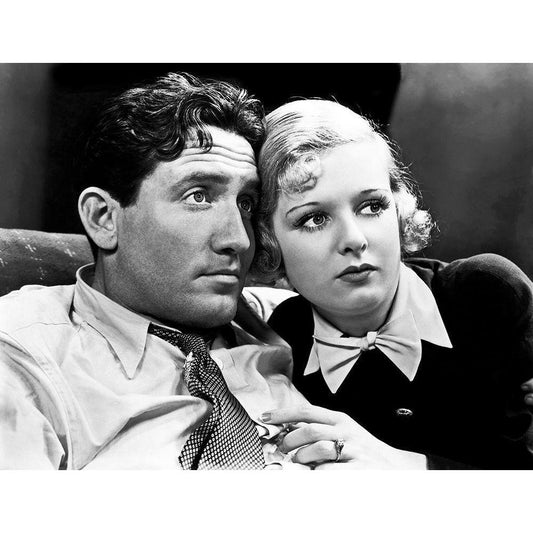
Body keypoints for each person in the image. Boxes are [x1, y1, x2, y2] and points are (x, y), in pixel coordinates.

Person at [0, 72, 308, 469]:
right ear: (103, 218)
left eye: (246, 203)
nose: (240, 240)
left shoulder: (286, 318)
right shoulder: (22, 353)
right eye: (198, 196)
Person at [253, 99, 533, 469]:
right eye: (314, 218)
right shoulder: (282, 338)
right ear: (268, 241)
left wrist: (407, 468)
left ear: (398, 210)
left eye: (372, 206)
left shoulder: (486, 293)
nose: (354, 239)